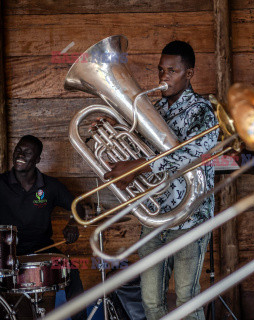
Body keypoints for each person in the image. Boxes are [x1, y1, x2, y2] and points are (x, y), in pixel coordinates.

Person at [104, 41, 219, 320]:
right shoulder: (151, 110)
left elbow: (191, 153)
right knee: (151, 302)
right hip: (155, 218)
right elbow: (136, 154)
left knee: (187, 299)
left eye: (172, 70)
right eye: (160, 70)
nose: (163, 77)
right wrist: (111, 135)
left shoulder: (204, 110)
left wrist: (139, 166)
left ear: (189, 73)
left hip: (190, 218)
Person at [0, 135, 87, 320]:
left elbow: (78, 206)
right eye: (18, 150)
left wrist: (73, 223)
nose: (20, 155)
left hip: (42, 249)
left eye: (27, 152)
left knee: (71, 271)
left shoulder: (50, 187)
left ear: (38, 159)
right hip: (6, 253)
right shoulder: (1, 183)